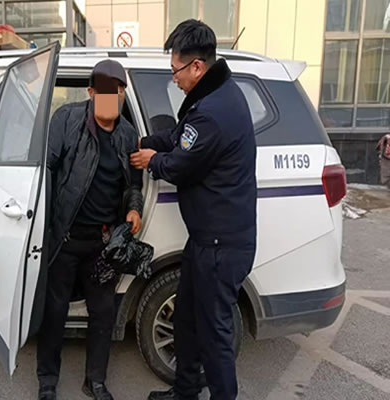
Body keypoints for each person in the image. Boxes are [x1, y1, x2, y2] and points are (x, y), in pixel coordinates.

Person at [130, 19, 257, 400]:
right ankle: (184, 392)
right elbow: (179, 136)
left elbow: (180, 164)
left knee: (215, 335)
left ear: (197, 66)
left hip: (221, 246)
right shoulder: (212, 96)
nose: (174, 79)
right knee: (186, 320)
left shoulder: (214, 112)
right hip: (206, 240)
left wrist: (151, 160)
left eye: (176, 71)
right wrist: (145, 140)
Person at [37, 59, 144, 400]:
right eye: (107, 90)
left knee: (103, 314)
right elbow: (45, 172)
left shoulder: (128, 135)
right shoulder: (66, 120)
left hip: (103, 243)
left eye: (120, 90)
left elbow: (134, 184)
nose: (114, 97)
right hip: (65, 239)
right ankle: (47, 381)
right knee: (54, 312)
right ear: (92, 92)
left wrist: (134, 208)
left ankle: (95, 380)